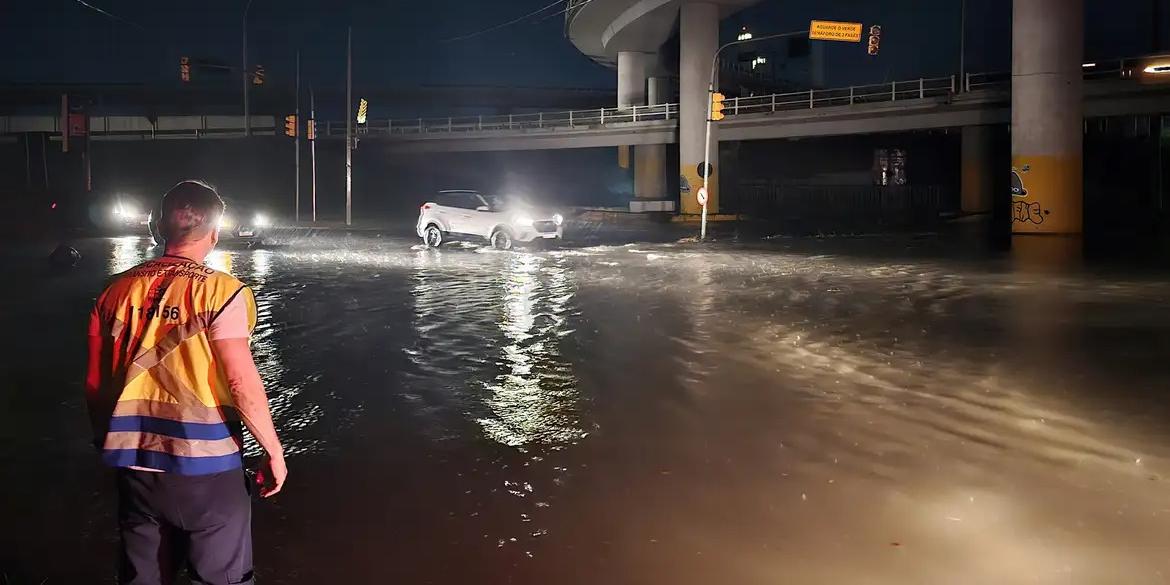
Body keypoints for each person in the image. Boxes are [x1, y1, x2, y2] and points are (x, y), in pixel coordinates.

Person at [86, 180, 287, 585]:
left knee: (141, 576)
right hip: (208, 468)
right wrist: (273, 449)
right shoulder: (224, 293)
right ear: (215, 231)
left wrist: (106, 441)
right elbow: (241, 380)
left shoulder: (111, 291)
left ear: (158, 227)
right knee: (222, 578)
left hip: (135, 464)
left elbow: (95, 382)